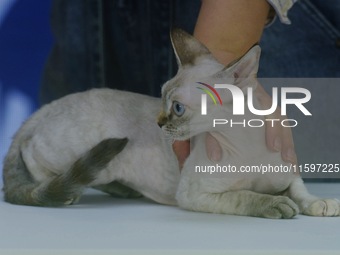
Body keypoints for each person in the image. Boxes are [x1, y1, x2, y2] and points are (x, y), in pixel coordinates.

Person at [41, 0, 340, 169]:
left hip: (245, 25)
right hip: (91, 23)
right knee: (87, 226)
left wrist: (222, 54)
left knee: (280, 222)